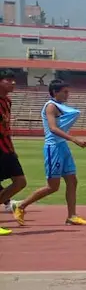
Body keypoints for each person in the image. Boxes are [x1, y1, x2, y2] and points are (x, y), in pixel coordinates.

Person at [12, 79, 86, 227]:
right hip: (53, 148)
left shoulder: (61, 107)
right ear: (55, 92)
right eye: (65, 92)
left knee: (72, 181)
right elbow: (53, 128)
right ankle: (21, 205)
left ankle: (72, 216)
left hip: (62, 147)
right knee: (52, 186)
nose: (68, 95)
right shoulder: (50, 106)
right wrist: (74, 139)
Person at [0, 69, 26, 236]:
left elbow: (6, 128)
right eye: (8, 80)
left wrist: (12, 149)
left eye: (14, 80)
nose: (13, 83)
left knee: (20, 182)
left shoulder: (7, 102)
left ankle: (8, 203)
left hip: (6, 148)